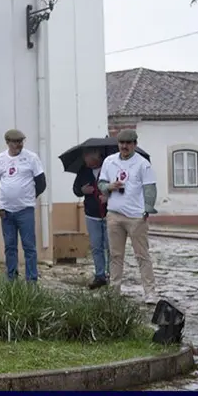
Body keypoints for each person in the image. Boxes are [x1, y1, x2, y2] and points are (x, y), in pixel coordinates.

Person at [98, 128, 158, 304]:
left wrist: (147, 209)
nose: (124, 146)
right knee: (115, 255)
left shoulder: (142, 164)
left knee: (142, 255)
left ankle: (150, 292)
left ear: (134, 145)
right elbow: (101, 184)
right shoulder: (109, 162)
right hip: (114, 214)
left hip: (135, 216)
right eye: (122, 143)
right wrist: (110, 187)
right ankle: (114, 290)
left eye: (128, 143)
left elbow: (150, 188)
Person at [0, 129, 45, 282]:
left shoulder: (31, 158)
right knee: (10, 246)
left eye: (21, 141)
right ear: (7, 142)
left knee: (29, 246)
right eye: (15, 142)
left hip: (25, 209)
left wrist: (28, 197)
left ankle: (31, 279)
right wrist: (2, 203)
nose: (19, 145)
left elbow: (41, 183)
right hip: (6, 211)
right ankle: (11, 278)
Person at [72, 148, 109, 289]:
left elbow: (119, 187)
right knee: (96, 246)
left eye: (87, 158)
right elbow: (75, 189)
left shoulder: (109, 167)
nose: (85, 161)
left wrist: (108, 197)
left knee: (110, 246)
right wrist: (83, 191)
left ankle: (111, 274)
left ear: (96, 157)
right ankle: (100, 275)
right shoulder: (84, 171)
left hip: (109, 213)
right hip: (91, 214)